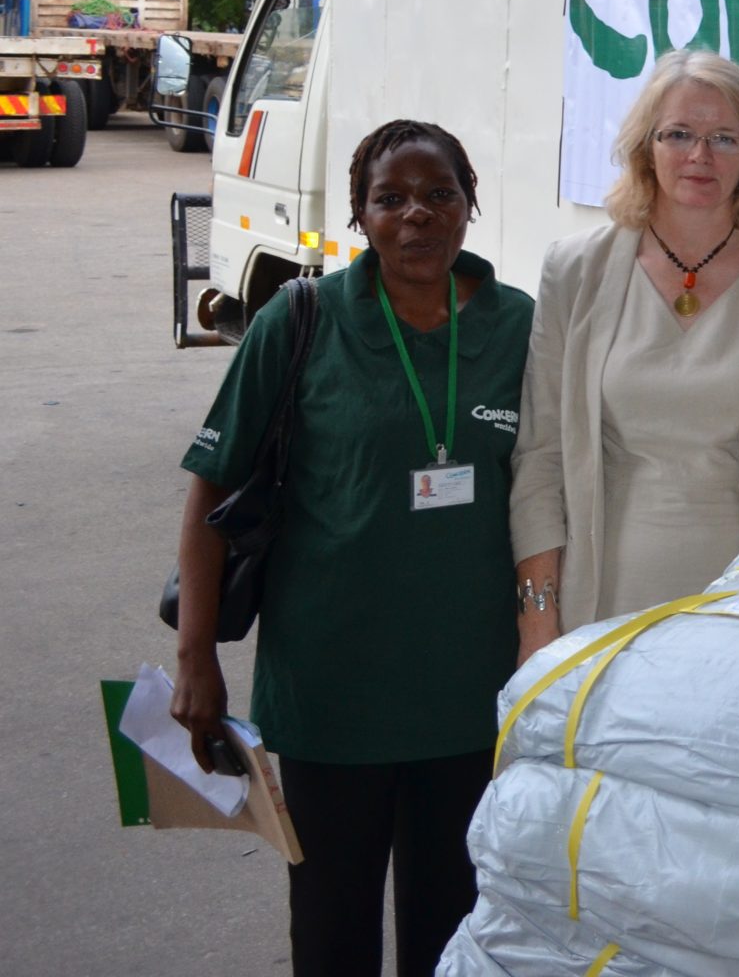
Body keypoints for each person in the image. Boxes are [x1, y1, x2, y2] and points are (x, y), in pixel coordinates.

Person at [170, 121, 533, 976]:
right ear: (360, 215)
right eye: (392, 199)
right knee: (331, 932)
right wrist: (195, 657)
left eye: (440, 195)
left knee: (453, 932)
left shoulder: (518, 327)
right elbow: (211, 489)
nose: (417, 216)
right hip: (334, 694)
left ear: (469, 206)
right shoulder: (303, 321)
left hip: (468, 693)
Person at [510, 50, 739, 657]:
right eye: (678, 133)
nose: (699, 155)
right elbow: (541, 460)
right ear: (644, 147)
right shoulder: (575, 271)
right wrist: (537, 622)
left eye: (724, 138)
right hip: (599, 609)